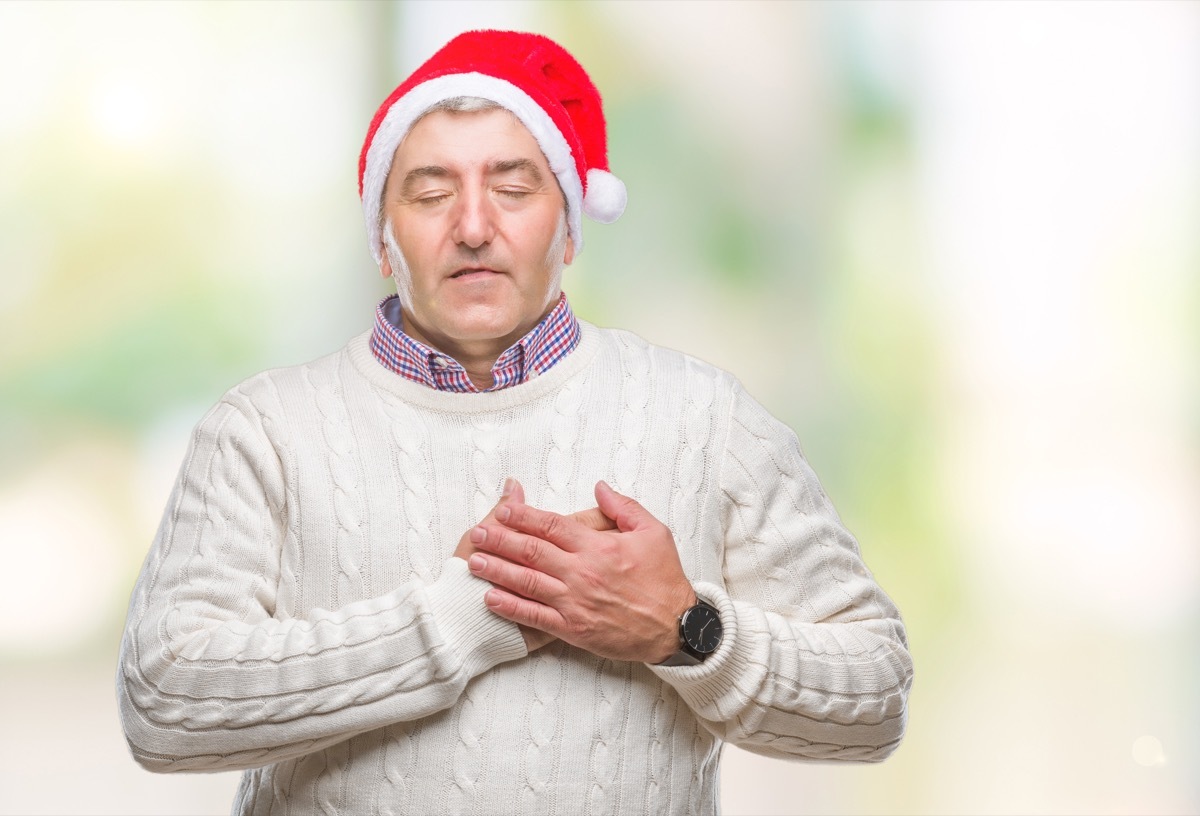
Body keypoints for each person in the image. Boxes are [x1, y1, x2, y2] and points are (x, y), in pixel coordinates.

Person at [117, 29, 912, 815]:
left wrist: (682, 627)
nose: (471, 226)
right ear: (383, 239)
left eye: (513, 188)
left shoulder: (708, 419)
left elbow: (876, 699)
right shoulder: (264, 432)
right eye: (430, 193)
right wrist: (454, 623)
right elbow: (160, 705)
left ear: (568, 227)